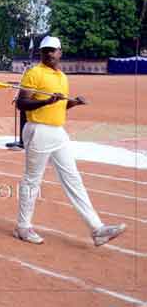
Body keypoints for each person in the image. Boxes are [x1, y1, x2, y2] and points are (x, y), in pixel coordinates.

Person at [14, 36, 126, 246]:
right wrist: (47, 100)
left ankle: (97, 229)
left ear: (60, 52)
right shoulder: (34, 73)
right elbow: (21, 103)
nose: (49, 53)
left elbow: (60, 106)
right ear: (41, 53)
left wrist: (72, 103)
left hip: (58, 132)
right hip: (38, 130)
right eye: (45, 50)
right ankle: (23, 226)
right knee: (32, 180)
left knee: (73, 178)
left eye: (53, 50)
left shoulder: (63, 77)